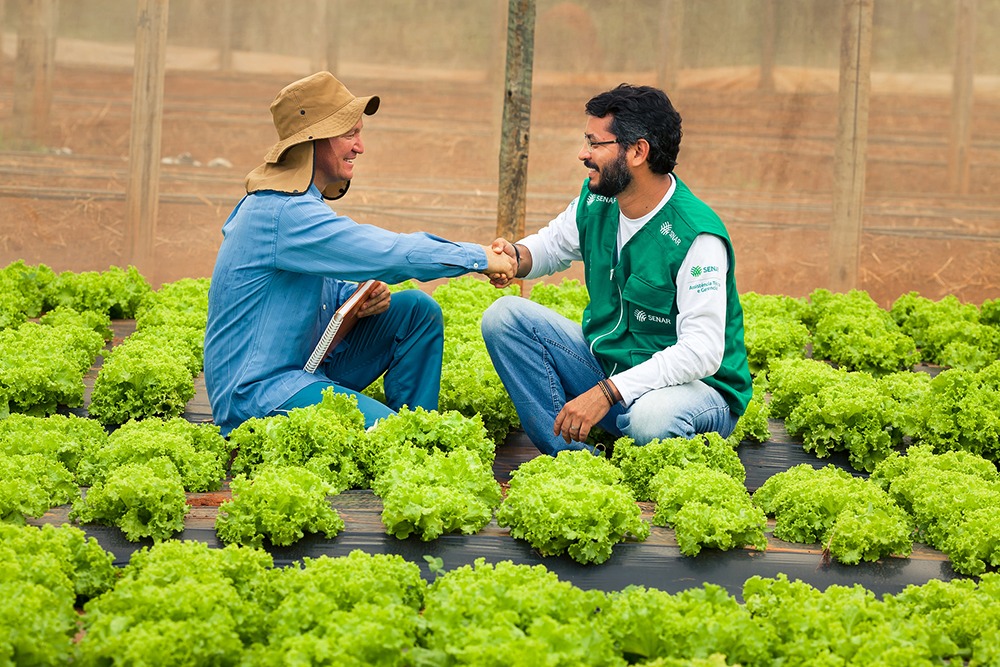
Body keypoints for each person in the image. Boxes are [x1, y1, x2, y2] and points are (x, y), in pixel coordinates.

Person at [204, 72, 515, 436]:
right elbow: (390, 254)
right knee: (392, 435)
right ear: (313, 140)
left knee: (415, 311)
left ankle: (416, 432)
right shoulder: (281, 213)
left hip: (304, 368)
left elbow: (315, 290)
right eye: (349, 133)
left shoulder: (299, 204)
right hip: (257, 394)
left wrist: (356, 297)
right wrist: (477, 256)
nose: (360, 146)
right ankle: (403, 441)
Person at [483, 84, 752, 456]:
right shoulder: (599, 200)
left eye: (595, 143)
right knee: (505, 317)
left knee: (651, 420)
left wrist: (608, 392)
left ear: (638, 151)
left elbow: (702, 353)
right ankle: (574, 460)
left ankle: (636, 434)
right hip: (610, 372)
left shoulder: (695, 237)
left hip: (694, 392)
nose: (583, 154)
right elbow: (553, 245)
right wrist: (515, 255)